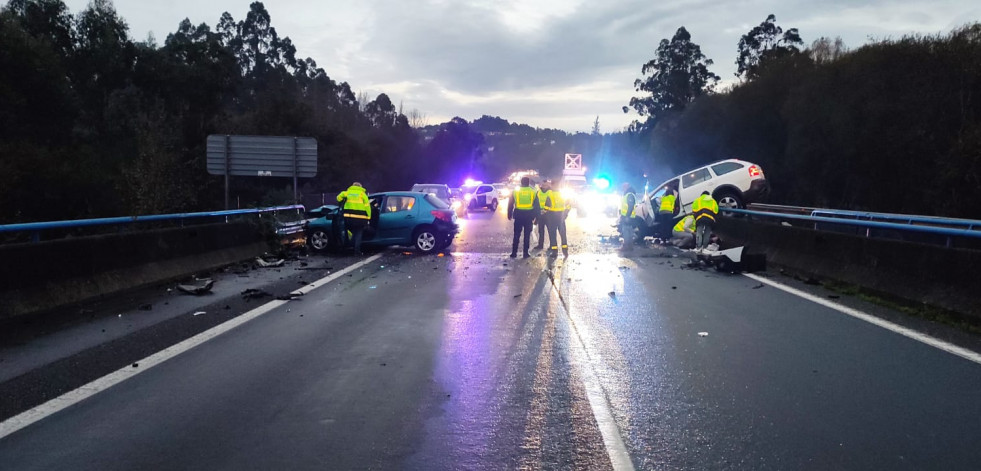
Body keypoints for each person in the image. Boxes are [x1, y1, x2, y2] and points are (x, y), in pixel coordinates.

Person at [507, 176, 540, 258]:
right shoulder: (533, 191)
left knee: (516, 235)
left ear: (521, 182)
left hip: (518, 215)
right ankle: (525, 253)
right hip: (529, 215)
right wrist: (537, 218)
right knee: (527, 235)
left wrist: (509, 214)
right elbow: (537, 206)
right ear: (528, 182)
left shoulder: (515, 191)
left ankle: (514, 253)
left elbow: (510, 203)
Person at [337, 182, 371, 255]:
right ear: (360, 187)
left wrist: (343, 199)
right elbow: (367, 207)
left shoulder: (347, 193)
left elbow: (338, 198)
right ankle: (357, 251)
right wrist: (368, 218)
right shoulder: (363, 195)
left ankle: (348, 247)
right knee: (359, 233)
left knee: (350, 232)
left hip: (349, 217)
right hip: (360, 218)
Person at [543, 181, 570, 258]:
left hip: (552, 216)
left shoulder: (550, 194)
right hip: (561, 216)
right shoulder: (563, 194)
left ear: (552, 185)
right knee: (563, 234)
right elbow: (568, 206)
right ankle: (565, 251)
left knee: (552, 234)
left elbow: (546, 207)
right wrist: (565, 214)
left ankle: (555, 252)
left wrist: (543, 213)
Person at [619, 183, 640, 252]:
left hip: (628, 217)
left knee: (626, 231)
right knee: (629, 231)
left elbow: (630, 206)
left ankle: (626, 246)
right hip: (629, 216)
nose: (623, 188)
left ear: (627, 187)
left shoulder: (629, 195)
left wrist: (626, 216)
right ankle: (630, 246)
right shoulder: (629, 194)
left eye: (624, 187)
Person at [533, 180, 551, 250]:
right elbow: (535, 202)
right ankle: (540, 245)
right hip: (540, 213)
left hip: (549, 214)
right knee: (541, 231)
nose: (544, 186)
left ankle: (552, 245)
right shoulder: (538, 192)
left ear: (548, 185)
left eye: (545, 184)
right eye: (543, 184)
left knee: (550, 231)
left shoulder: (551, 192)